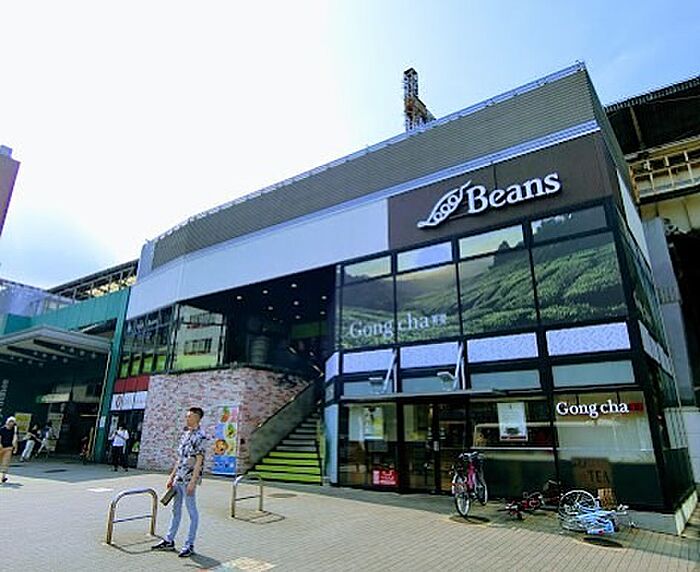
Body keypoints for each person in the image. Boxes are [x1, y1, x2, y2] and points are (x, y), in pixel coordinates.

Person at [152, 406, 207, 558]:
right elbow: (180, 458)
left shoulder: (201, 436)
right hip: (179, 479)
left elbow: (199, 461)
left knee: (192, 512)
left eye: (189, 416)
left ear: (197, 418)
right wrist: (171, 476)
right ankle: (169, 540)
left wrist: (193, 482)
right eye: (187, 416)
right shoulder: (186, 434)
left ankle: (189, 545)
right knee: (175, 510)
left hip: (188, 480)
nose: (187, 418)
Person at [1, 416, 18, 484]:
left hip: (9, 448)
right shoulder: (2, 429)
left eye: (13, 422)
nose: (11, 423)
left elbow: (15, 440)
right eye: (10, 422)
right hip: (1, 447)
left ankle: (3, 477)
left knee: (6, 463)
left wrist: (15, 448)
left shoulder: (14, 430)